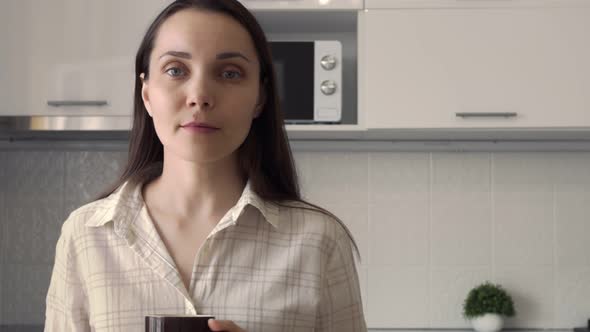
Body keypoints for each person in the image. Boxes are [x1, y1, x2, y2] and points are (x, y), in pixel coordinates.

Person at [44, 0, 366, 331]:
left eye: (229, 73)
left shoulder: (319, 240)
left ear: (260, 98)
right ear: (146, 94)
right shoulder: (85, 235)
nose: (200, 95)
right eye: (175, 70)